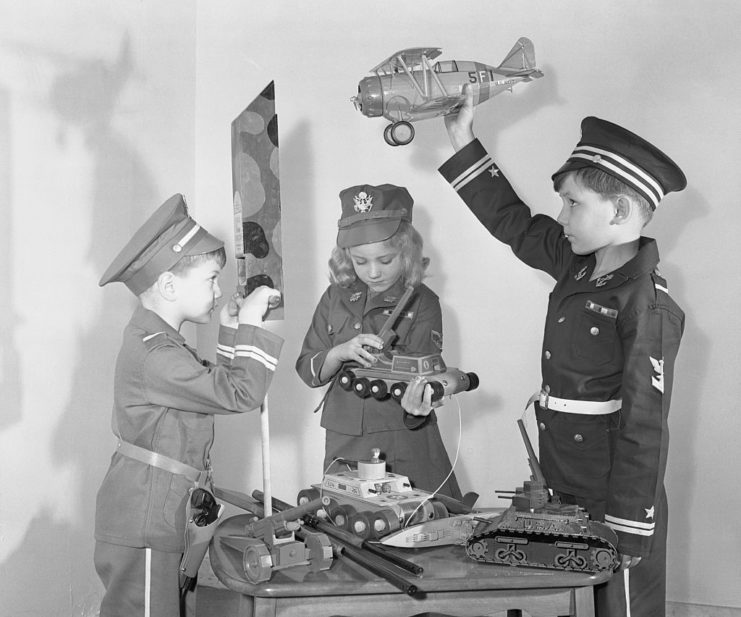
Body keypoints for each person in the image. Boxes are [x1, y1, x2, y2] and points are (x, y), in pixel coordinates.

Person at [404, 87, 686, 617]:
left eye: (573, 203)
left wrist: (628, 527)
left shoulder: (648, 304)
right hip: (562, 474)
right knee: (568, 598)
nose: (560, 215)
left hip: (613, 489)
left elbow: (645, 428)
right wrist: (463, 139)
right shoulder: (577, 262)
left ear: (621, 210)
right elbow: (513, 222)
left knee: (619, 606)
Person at [94, 194, 282, 617]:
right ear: (169, 285)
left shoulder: (163, 345)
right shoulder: (157, 355)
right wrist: (251, 324)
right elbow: (240, 394)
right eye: (212, 279)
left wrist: (232, 329)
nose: (218, 290)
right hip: (145, 519)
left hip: (165, 511)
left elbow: (215, 385)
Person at [296, 183, 462, 500]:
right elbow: (307, 367)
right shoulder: (335, 297)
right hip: (344, 433)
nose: (373, 272)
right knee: (345, 520)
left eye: (385, 261)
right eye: (360, 261)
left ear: (408, 253)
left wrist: (420, 401)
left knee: (410, 525)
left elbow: (424, 375)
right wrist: (339, 352)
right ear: (346, 257)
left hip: (401, 432)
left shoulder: (422, 302)